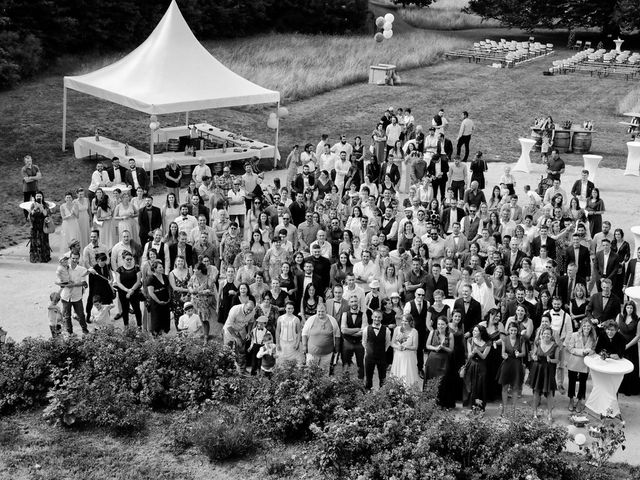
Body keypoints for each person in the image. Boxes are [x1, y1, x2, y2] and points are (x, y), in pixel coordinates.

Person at [528, 326, 559, 421]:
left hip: (549, 371)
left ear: (551, 335)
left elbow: (557, 360)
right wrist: (534, 357)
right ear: (541, 334)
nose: (546, 335)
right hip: (538, 370)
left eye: (548, 334)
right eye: (544, 333)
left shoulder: (555, 346)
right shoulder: (537, 343)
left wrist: (551, 360)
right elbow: (533, 354)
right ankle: (534, 413)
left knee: (549, 392)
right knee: (536, 391)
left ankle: (550, 414)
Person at [565, 319, 596, 412]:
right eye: (584, 326)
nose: (586, 328)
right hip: (574, 362)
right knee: (572, 382)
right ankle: (571, 400)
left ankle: (579, 401)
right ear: (581, 327)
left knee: (583, 383)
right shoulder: (575, 335)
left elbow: (594, 349)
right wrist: (582, 352)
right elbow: (570, 348)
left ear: (591, 327)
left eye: (588, 326)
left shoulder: (593, 337)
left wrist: (590, 352)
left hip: (585, 364)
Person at [301, 301, 341, 373]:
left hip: (327, 353)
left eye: (322, 311)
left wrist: (337, 348)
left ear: (326, 311)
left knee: (324, 372)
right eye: (319, 311)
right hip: (312, 353)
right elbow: (304, 333)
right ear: (316, 310)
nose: (320, 313)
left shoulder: (332, 320)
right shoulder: (311, 320)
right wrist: (304, 346)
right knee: (311, 372)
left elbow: (337, 334)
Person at [57, 252, 89, 335]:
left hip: (77, 296)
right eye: (73, 258)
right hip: (66, 296)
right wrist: (66, 283)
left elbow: (84, 283)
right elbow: (59, 282)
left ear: (79, 259)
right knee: (67, 316)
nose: (74, 260)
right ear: (70, 258)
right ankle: (70, 332)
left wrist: (73, 284)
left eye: (76, 258)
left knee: (81, 315)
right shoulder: (64, 268)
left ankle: (85, 330)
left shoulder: (82, 269)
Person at [497, 322, 525, 417]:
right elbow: (502, 353)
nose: (513, 332)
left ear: (517, 331)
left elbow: (524, 353)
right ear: (508, 330)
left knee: (515, 387)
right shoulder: (504, 338)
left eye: (515, 330)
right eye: (511, 330)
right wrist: (504, 356)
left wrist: (519, 354)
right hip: (507, 363)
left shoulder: (521, 339)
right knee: (504, 387)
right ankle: (504, 409)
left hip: (517, 364)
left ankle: (513, 410)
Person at [425, 316, 454, 402]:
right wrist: (435, 348)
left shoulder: (450, 335)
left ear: (446, 325)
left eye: (442, 324)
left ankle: (442, 402)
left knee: (443, 380)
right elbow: (427, 345)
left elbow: (451, 349)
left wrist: (443, 347)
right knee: (431, 379)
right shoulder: (432, 332)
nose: (440, 326)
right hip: (432, 359)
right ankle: (430, 401)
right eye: (438, 324)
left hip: (444, 360)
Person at [463, 324, 491, 410]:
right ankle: (470, 406)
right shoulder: (470, 340)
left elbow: (484, 356)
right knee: (470, 386)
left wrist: (477, 351)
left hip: (481, 366)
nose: (473, 332)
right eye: (473, 330)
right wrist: (472, 353)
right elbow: (469, 355)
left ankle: (479, 406)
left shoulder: (488, 343)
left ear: (481, 333)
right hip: (471, 365)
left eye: (476, 331)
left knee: (480, 386)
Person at [390, 314, 422, 390]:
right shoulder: (397, 329)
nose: (403, 322)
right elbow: (392, 343)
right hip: (398, 357)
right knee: (398, 374)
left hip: (409, 358)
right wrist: (398, 347)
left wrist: (406, 347)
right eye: (403, 320)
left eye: (406, 321)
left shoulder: (414, 332)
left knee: (408, 374)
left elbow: (415, 347)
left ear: (410, 322)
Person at [362, 309, 391, 390]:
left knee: (382, 378)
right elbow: (364, 342)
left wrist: (381, 351)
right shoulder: (366, 329)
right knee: (368, 378)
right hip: (369, 357)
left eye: (379, 317)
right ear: (372, 317)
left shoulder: (387, 330)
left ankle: (382, 394)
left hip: (381, 357)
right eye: (375, 317)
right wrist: (368, 350)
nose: (377, 319)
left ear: (381, 318)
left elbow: (388, 343)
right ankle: (368, 393)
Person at [617, 302, 640, 396]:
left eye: (631, 308)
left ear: (634, 309)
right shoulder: (620, 316)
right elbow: (616, 330)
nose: (629, 310)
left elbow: (638, 335)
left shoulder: (637, 319)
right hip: (620, 345)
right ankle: (620, 387)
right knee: (620, 366)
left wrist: (627, 346)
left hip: (631, 347)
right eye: (628, 307)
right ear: (625, 308)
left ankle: (629, 389)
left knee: (630, 367)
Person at [147, 259, 171, 334]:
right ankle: (157, 336)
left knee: (165, 319)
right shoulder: (151, 278)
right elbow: (151, 292)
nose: (162, 268)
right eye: (160, 267)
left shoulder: (164, 276)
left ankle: (164, 335)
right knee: (157, 320)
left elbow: (168, 287)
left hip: (165, 301)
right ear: (155, 269)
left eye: (162, 267)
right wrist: (158, 301)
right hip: (156, 302)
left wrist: (169, 298)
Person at [28, 191, 52, 263]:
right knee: (35, 241)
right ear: (35, 197)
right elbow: (30, 216)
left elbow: (47, 214)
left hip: (43, 225)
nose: (39, 197)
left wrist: (41, 208)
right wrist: (34, 209)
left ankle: (44, 257)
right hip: (35, 226)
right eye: (37, 196)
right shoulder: (33, 204)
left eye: (40, 196)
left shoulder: (45, 204)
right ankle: (35, 257)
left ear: (42, 197)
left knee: (43, 240)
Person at [21, 155, 42, 219]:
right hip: (27, 189)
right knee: (26, 203)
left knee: (37, 202)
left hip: (35, 188)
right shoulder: (23, 169)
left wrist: (31, 177)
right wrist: (35, 178)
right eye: (27, 161)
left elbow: (39, 177)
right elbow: (27, 180)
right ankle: (26, 217)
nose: (29, 162)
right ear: (25, 162)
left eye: (30, 161)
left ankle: (37, 215)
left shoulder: (35, 167)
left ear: (31, 160)